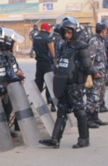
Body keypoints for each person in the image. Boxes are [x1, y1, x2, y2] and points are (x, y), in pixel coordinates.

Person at [39, 19, 98, 149]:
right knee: (62, 110)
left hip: (75, 84)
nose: (67, 35)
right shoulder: (63, 45)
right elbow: (59, 61)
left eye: (69, 33)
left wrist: (95, 73)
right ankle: (55, 138)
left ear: (75, 33)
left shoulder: (81, 47)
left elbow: (88, 65)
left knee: (79, 111)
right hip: (64, 82)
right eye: (65, 32)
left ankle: (84, 138)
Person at [85, 22, 108, 129]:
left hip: (102, 74)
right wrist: (94, 72)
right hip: (96, 75)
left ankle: (95, 117)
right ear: (103, 30)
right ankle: (88, 119)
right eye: (106, 30)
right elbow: (89, 60)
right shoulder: (94, 42)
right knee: (92, 97)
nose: (107, 32)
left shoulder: (100, 41)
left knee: (99, 97)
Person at [32, 22, 56, 111]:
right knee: (49, 83)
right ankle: (52, 103)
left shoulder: (36, 37)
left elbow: (34, 49)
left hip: (39, 63)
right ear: (47, 28)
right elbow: (52, 52)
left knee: (39, 83)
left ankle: (36, 103)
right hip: (47, 63)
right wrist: (54, 60)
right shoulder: (48, 38)